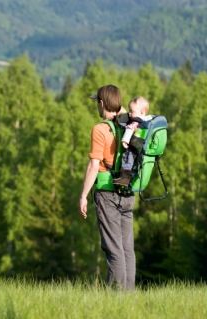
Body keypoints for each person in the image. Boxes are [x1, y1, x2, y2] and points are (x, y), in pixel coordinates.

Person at [78, 84, 136, 290]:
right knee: (127, 248)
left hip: (107, 193)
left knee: (114, 249)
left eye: (97, 102)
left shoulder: (100, 129)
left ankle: (116, 299)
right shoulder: (129, 124)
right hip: (128, 192)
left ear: (101, 104)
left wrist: (84, 195)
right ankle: (128, 298)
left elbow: (94, 165)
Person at [112, 97, 153, 187]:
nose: (129, 114)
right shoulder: (149, 119)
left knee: (126, 159)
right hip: (141, 147)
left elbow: (129, 130)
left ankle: (124, 178)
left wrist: (124, 141)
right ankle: (131, 176)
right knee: (134, 163)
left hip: (133, 146)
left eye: (132, 111)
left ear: (141, 112)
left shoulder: (135, 122)